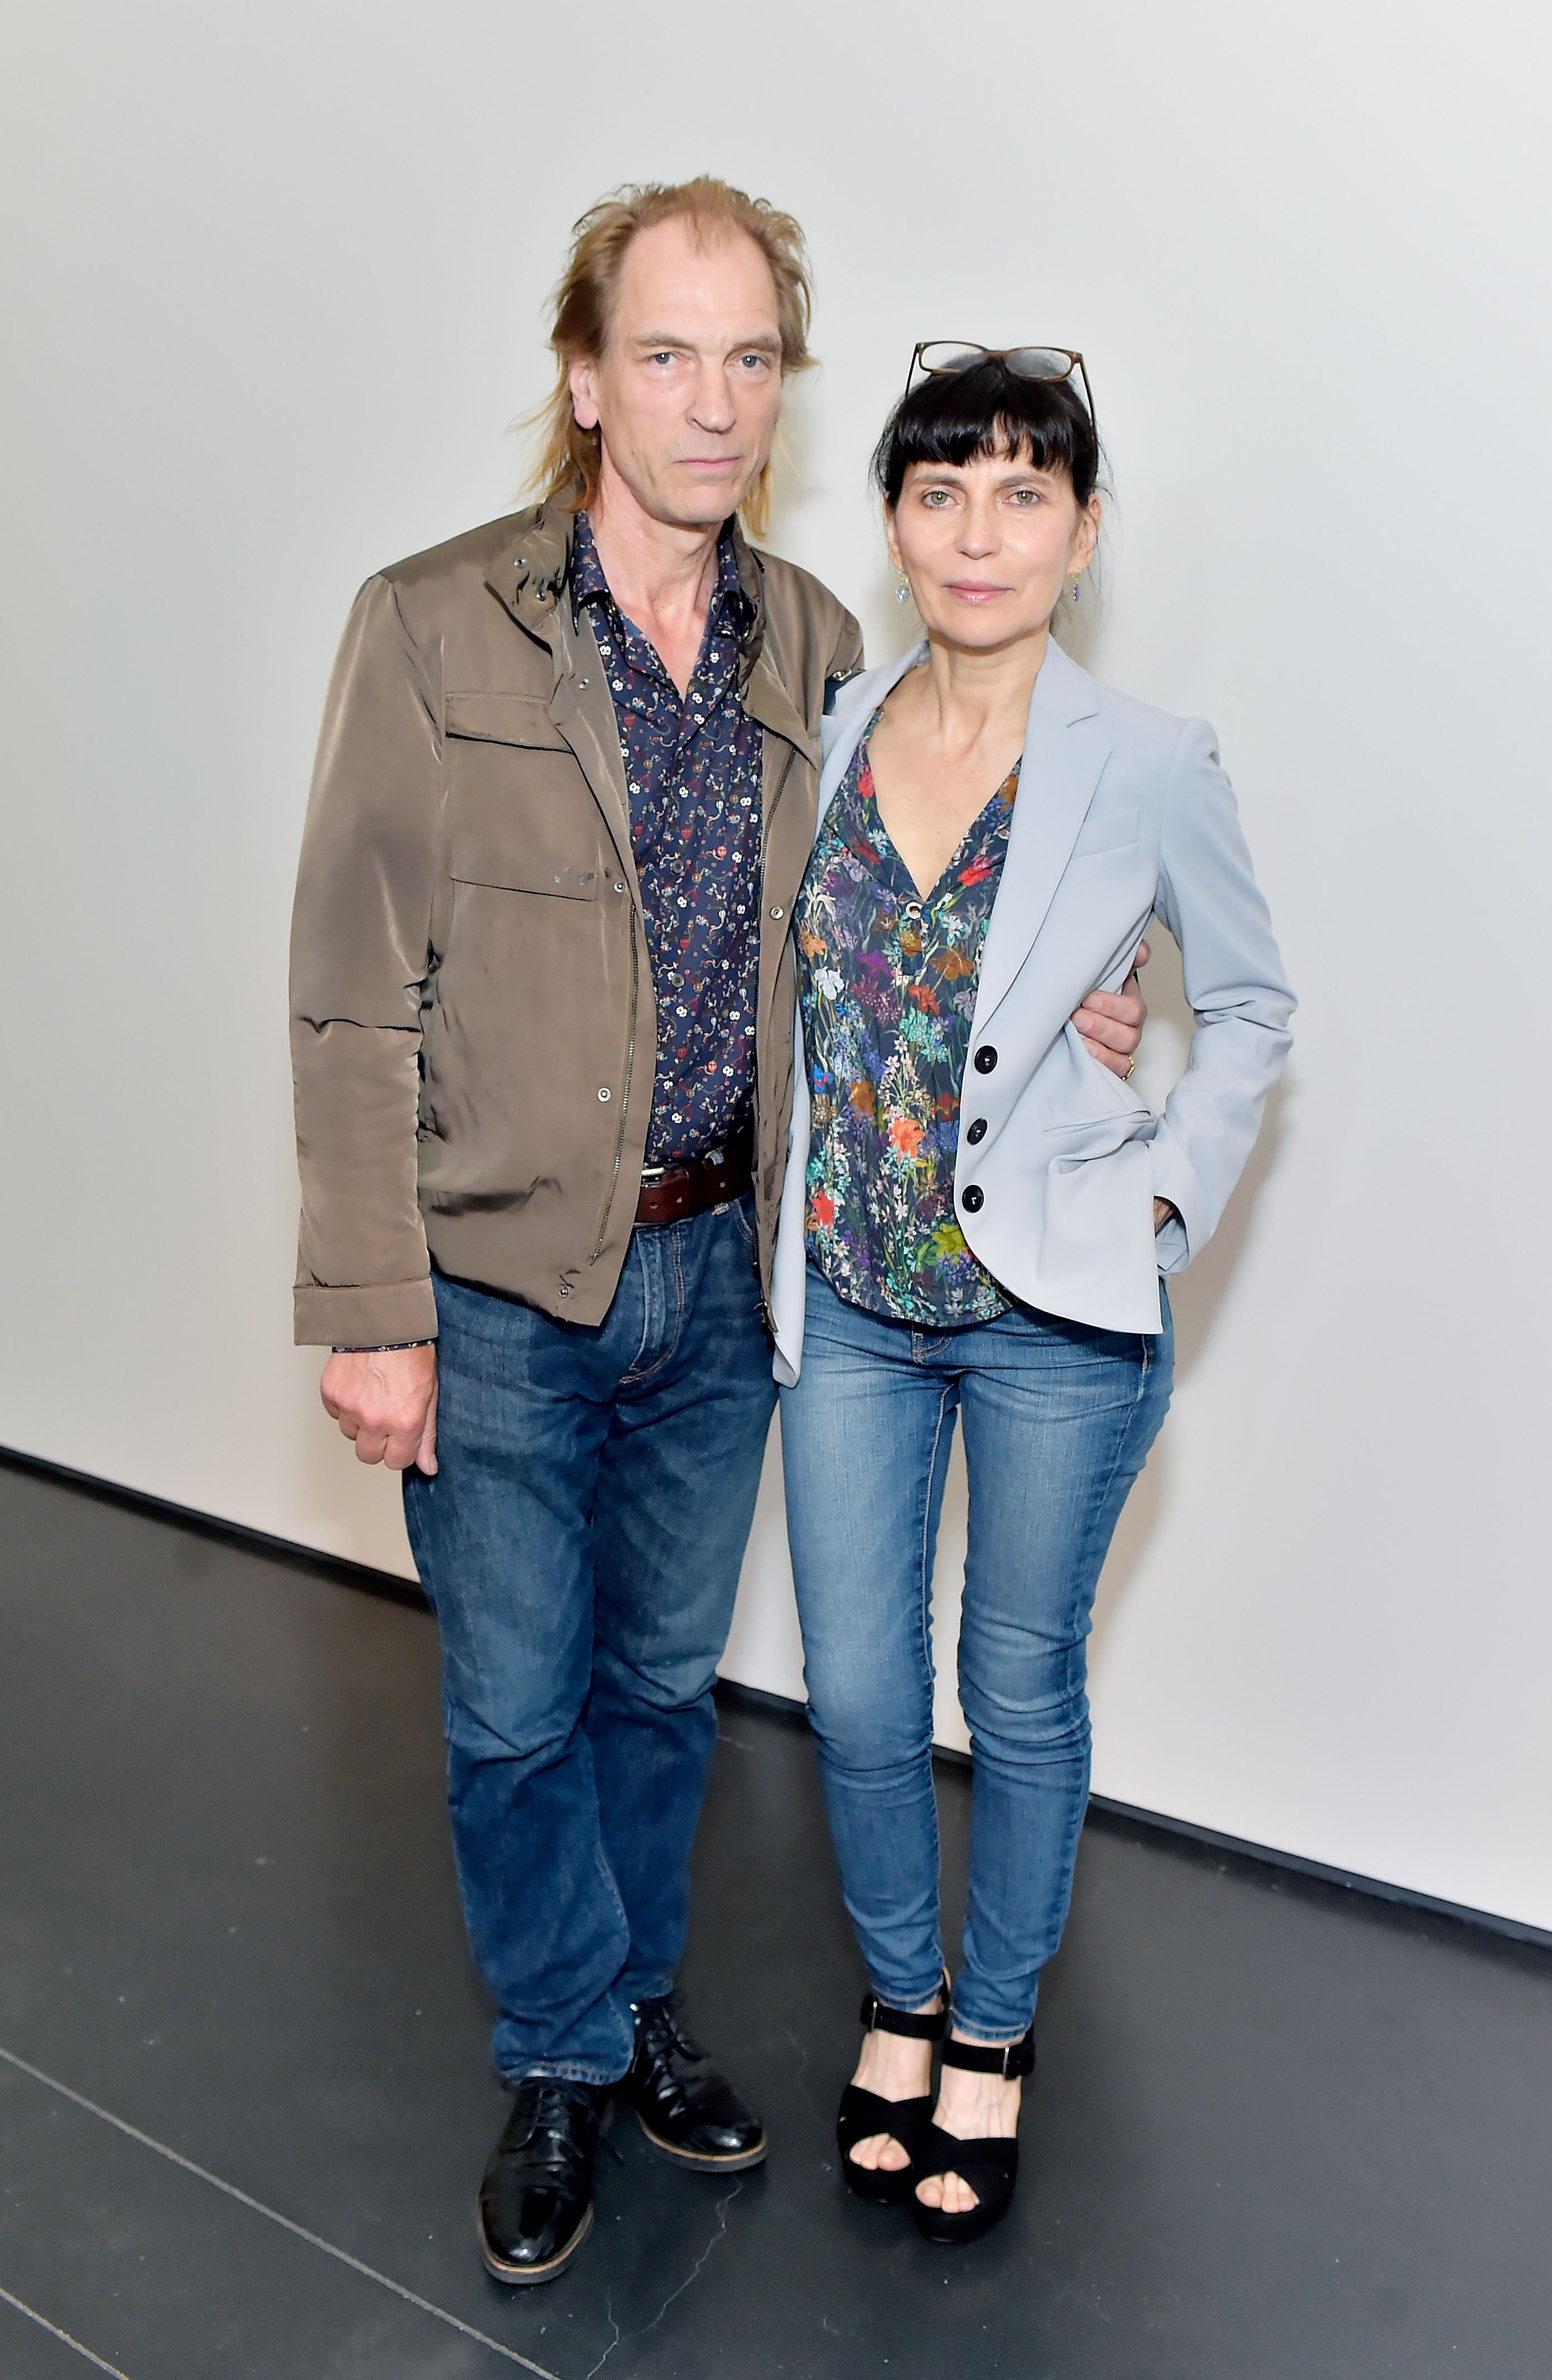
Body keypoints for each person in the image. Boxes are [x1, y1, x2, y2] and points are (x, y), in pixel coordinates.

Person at [290, 194, 1150, 2285]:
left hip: (722, 1278)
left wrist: (1066, 1010)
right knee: (512, 1712)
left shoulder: (817, 643)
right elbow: (346, 981)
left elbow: (903, 925)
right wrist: (365, 1303)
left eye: (752, 359)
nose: (713, 401)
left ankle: (633, 2004)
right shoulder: (429, 623)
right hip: (493, 1283)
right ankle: (565, 2059)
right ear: (584, 375)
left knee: (662, 1698)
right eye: (667, 355)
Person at [772, 345, 1295, 2244]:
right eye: (938, 491)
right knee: (852, 1690)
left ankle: (991, 2030)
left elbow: (1245, 1004)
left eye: (1021, 495)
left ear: (1081, 535)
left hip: (1053, 1311)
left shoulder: (1148, 758)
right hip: (845, 1290)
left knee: (1016, 1682)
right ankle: (898, 1991)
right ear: (896, 519)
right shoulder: (827, 728)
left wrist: (1162, 1187)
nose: (975, 534)